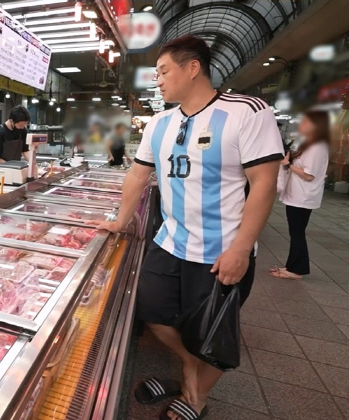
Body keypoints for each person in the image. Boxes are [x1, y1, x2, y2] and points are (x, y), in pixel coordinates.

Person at [95, 35, 283, 420]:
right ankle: (188, 371)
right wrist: (119, 219)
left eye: (163, 71)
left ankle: (195, 397)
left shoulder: (246, 111)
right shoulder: (160, 122)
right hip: (169, 242)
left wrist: (240, 249)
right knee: (152, 313)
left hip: (222, 249)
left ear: (192, 67)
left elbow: (265, 183)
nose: (158, 81)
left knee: (212, 330)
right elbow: (137, 174)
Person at [272, 111, 330, 280]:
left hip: (303, 196)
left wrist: (287, 164)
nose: (301, 125)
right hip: (297, 195)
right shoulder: (309, 144)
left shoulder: (317, 147)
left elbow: (309, 175)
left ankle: (297, 270)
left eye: (305, 122)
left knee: (297, 233)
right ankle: (291, 266)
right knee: (295, 232)